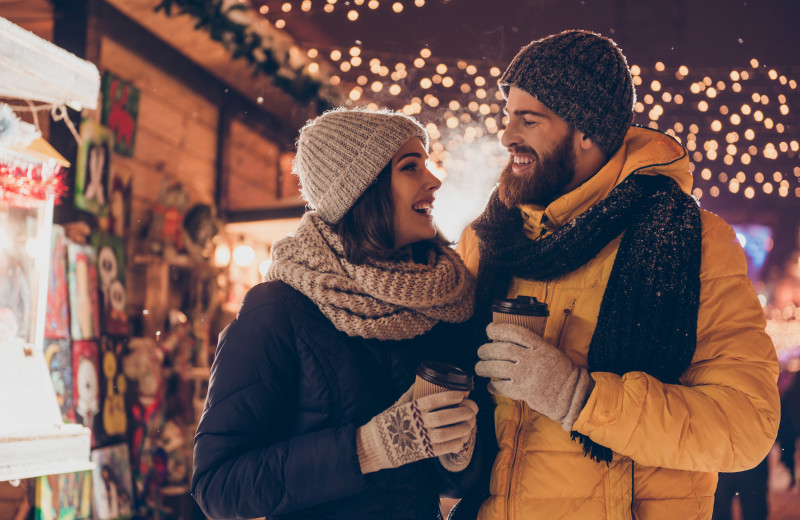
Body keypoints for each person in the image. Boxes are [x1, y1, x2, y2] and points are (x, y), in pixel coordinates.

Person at [456, 30, 781, 519]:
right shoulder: (488, 240)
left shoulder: (692, 241)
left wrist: (579, 397)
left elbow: (745, 427)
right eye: (508, 117)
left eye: (529, 119)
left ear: (587, 132)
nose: (507, 137)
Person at [191, 108, 483, 520]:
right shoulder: (280, 308)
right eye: (410, 167)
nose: (433, 181)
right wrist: (366, 448)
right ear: (363, 188)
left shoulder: (441, 303)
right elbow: (218, 487)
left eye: (427, 164)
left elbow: (452, 486)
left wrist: (459, 453)